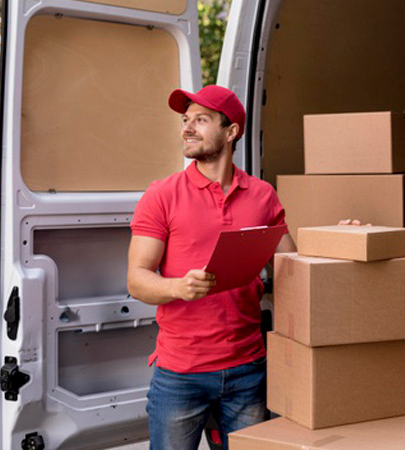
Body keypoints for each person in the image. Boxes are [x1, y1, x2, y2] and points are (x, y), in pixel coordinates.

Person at [127, 85, 296, 450]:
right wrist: (178, 287)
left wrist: (341, 239)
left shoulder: (262, 195)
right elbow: (137, 281)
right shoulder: (162, 195)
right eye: (185, 120)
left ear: (231, 130)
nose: (187, 128)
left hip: (248, 370)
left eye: (201, 120)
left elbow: (293, 267)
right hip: (180, 375)